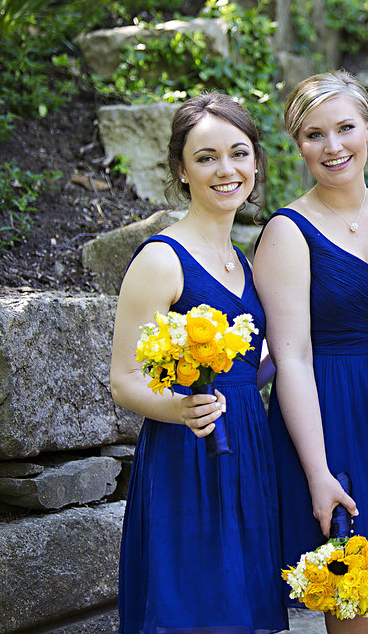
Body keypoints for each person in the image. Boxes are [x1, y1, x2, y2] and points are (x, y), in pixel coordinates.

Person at [110, 93, 287, 633]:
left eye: (238, 153)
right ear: (180, 170)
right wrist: (181, 408)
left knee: (241, 606)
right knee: (190, 608)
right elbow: (123, 381)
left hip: (247, 448)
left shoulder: (246, 261)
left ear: (256, 162)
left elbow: (252, 366)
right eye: (206, 157)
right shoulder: (161, 259)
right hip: (187, 455)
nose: (226, 169)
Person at [253, 72, 368, 633]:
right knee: (362, 609)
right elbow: (290, 357)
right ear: (297, 145)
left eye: (346, 127)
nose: (333, 146)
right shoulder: (287, 232)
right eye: (313, 134)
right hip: (333, 420)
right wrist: (318, 471)